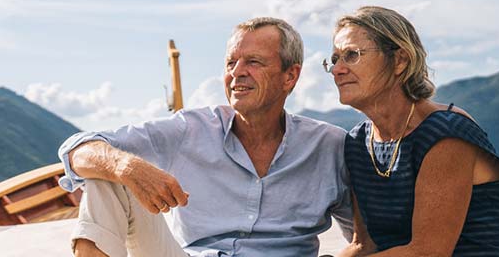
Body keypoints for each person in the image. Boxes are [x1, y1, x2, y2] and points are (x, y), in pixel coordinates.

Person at [60, 17, 353, 257]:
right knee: (106, 175)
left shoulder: (330, 147)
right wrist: (129, 168)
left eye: (253, 62)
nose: (237, 73)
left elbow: (365, 242)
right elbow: (77, 150)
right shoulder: (190, 128)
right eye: (230, 63)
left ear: (290, 76)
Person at [323, 6, 499, 256]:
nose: (337, 69)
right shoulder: (357, 143)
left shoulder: (446, 133)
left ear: (400, 60)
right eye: (334, 59)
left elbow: (428, 253)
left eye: (352, 55)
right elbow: (364, 245)